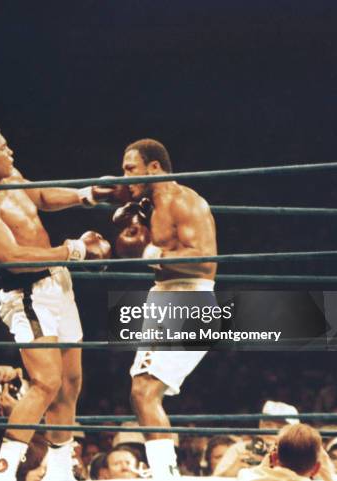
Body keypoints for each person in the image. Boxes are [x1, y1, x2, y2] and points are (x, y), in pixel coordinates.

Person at [0, 120, 119, 481]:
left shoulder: (12, 178)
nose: (10, 152)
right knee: (45, 382)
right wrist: (73, 249)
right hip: (27, 294)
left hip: (57, 283)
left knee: (70, 382)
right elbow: (10, 257)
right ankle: (3, 474)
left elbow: (43, 197)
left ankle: (59, 472)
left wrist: (86, 194)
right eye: (2, 148)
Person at [113, 138, 217, 478]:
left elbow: (203, 261)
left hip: (190, 298)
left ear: (153, 167)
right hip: (164, 297)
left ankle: (165, 474)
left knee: (144, 392)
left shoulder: (185, 202)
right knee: (141, 392)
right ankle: (165, 472)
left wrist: (147, 253)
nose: (125, 176)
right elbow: (112, 193)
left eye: (130, 169)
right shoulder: (147, 203)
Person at [237, 424, 334, 481]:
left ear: (274, 458)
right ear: (316, 469)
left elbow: (245, 473)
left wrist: (263, 467)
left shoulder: (248, 477)